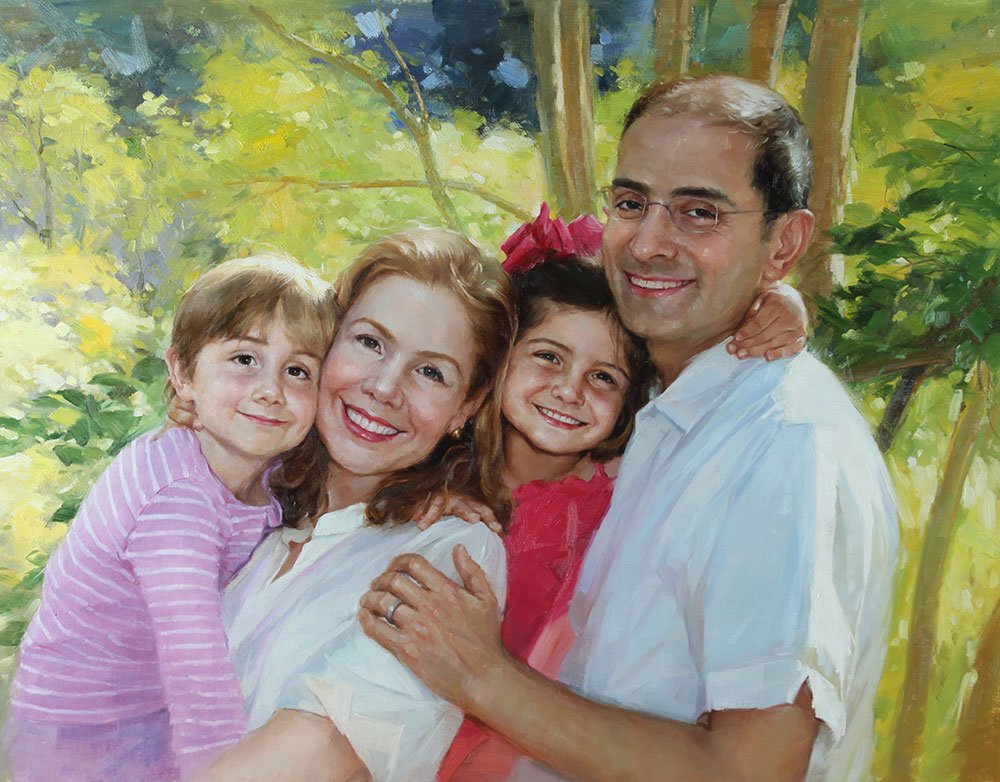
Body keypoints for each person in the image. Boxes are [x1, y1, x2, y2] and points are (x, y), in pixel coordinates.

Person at [361, 75, 899, 782]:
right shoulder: (668, 403)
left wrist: (481, 675)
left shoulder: (783, 445)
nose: (647, 244)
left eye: (699, 212)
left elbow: (752, 771)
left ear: (783, 243)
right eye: (631, 203)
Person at [435, 204, 810, 779]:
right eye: (548, 357)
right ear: (500, 356)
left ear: (632, 399)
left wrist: (780, 304)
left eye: (603, 377)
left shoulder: (625, 496)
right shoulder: (438, 458)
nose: (569, 391)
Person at [194, 228, 515, 782]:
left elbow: (315, 751)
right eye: (370, 343)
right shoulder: (252, 495)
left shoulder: (452, 553)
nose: (385, 388)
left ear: (466, 407)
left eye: (430, 372)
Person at [4, 255, 337, 780]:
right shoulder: (177, 495)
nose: (271, 390)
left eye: (297, 371)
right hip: (86, 742)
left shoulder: (265, 472)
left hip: (152, 723)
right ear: (183, 372)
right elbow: (195, 672)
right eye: (244, 359)